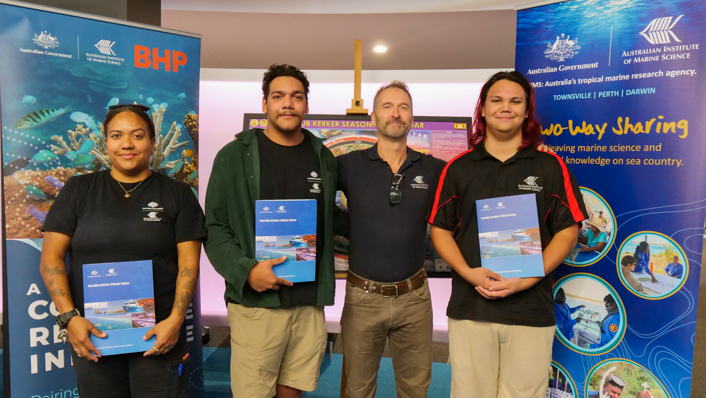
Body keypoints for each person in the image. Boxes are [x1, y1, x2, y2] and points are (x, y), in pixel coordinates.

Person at [429, 71, 587, 398]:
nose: (506, 108)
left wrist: (528, 278)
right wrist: (468, 273)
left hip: (531, 309)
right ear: (482, 110)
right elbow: (440, 230)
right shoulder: (458, 168)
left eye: (516, 101)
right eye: (496, 100)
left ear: (527, 110)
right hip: (471, 309)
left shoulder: (550, 165)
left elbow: (568, 232)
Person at [39, 104, 205, 397]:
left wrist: (175, 321)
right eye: (117, 135)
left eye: (138, 135)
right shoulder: (78, 190)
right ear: (106, 142)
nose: (127, 144)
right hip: (94, 334)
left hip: (158, 334)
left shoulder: (178, 194)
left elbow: (189, 266)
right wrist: (69, 319)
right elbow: (50, 259)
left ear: (152, 142)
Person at [204, 64, 340, 398]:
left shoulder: (323, 157)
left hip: (309, 301)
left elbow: (331, 219)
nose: (288, 104)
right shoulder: (234, 155)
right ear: (265, 103)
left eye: (296, 97)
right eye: (278, 96)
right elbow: (215, 227)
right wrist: (246, 271)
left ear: (307, 105)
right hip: (258, 302)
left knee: (294, 389)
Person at [337, 81, 446, 398]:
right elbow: (307, 184)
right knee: (356, 391)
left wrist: (531, 151)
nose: (396, 114)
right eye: (387, 107)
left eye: (403, 107)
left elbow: (477, 180)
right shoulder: (347, 165)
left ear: (412, 118)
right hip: (362, 299)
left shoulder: (434, 168)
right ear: (373, 117)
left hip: (415, 299)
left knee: (415, 391)